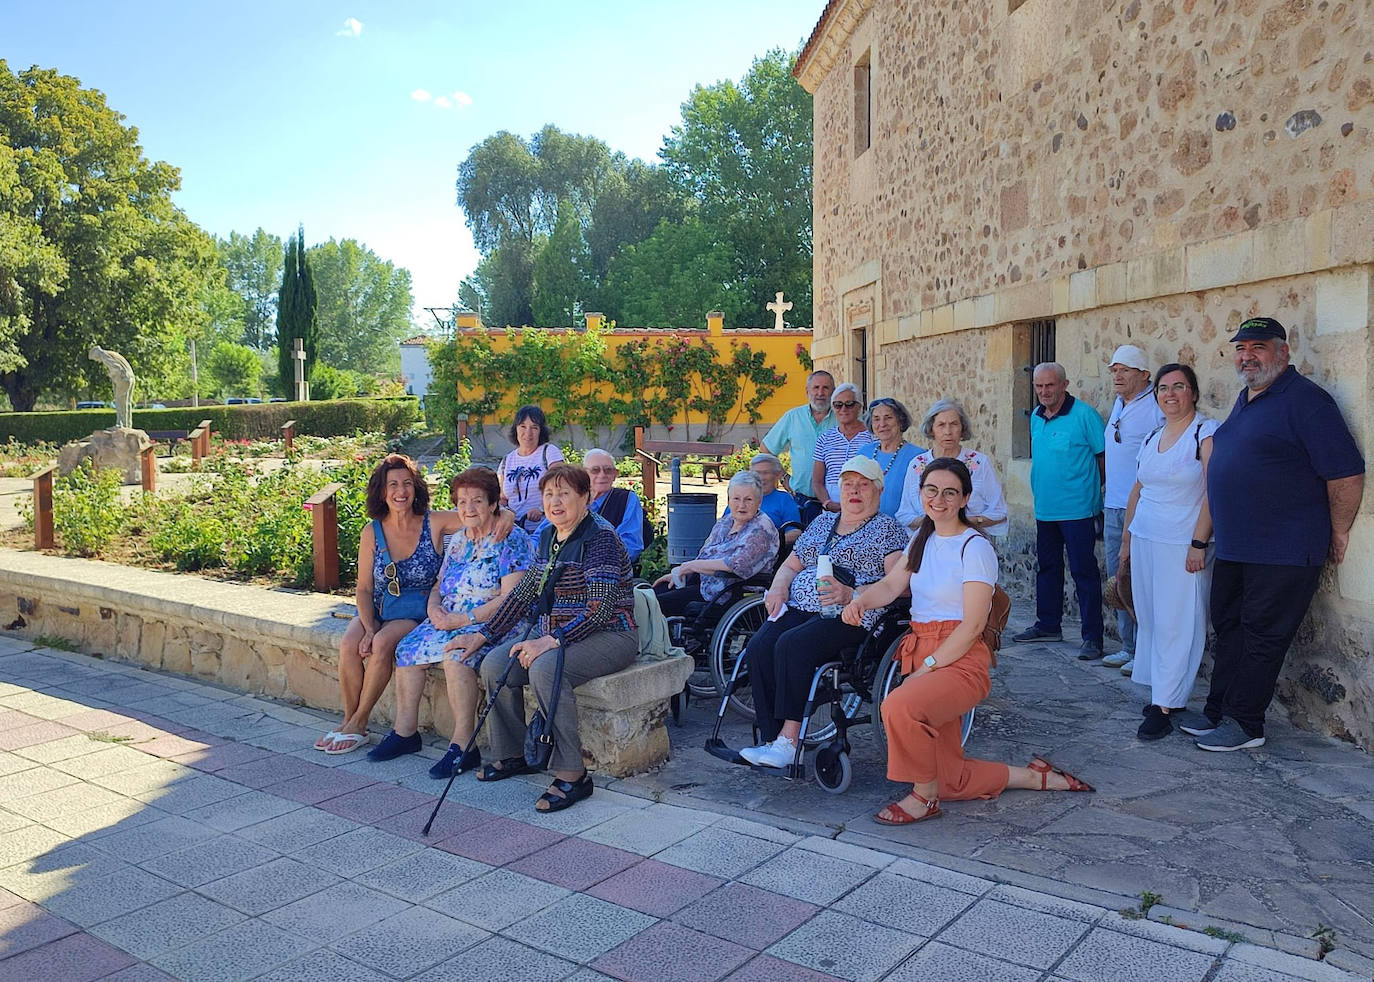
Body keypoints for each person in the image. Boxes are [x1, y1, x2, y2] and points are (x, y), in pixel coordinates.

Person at [845, 458, 1094, 825]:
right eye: (931, 490)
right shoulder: (920, 538)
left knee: (899, 705)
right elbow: (891, 586)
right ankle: (1036, 776)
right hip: (922, 647)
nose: (939, 499)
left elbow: (973, 625)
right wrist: (860, 601)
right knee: (949, 779)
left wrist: (926, 669)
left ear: (965, 499)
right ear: (921, 493)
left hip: (960, 659)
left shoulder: (974, 547)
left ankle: (923, 798)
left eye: (950, 492)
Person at [1178, 317, 1364, 752]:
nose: (1247, 356)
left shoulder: (1307, 402)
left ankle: (1246, 725)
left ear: (1283, 351)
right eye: (1241, 348)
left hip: (1283, 549)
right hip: (1240, 545)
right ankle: (1219, 712)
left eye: (1258, 347)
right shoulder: (1248, 398)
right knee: (1229, 627)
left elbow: (1347, 473)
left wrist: (1338, 530)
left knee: (1262, 635)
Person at [448, 464, 638, 812]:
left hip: (611, 634)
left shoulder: (600, 539)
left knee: (545, 669)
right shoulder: (550, 535)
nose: (555, 501)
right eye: (549, 493)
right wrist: (483, 635)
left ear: (585, 497)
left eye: (564, 493)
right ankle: (514, 753)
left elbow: (599, 610)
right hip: (560, 632)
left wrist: (549, 641)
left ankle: (573, 773)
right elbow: (522, 594)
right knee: (494, 664)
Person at [737, 457, 910, 769]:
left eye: (863, 485)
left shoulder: (887, 529)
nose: (854, 491)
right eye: (848, 484)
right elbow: (791, 565)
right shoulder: (821, 523)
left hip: (852, 615)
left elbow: (900, 586)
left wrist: (852, 594)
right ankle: (772, 738)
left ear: (878, 490)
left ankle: (790, 742)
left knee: (792, 645)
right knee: (759, 646)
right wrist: (777, 588)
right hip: (802, 606)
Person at [367, 467, 537, 774]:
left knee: (457, 657)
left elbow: (512, 599)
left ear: (492, 503)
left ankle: (464, 745)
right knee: (407, 649)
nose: (469, 508)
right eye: (462, 502)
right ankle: (405, 732)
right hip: (451, 617)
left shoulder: (511, 539)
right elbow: (438, 585)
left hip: (496, 621)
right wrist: (434, 609)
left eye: (477, 501)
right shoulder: (458, 540)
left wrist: (465, 618)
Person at [314, 454, 461, 755]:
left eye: (407, 484)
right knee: (349, 645)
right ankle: (349, 720)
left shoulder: (432, 522)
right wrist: (368, 627)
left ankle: (359, 722)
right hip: (381, 605)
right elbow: (364, 588)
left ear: (416, 488)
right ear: (382, 491)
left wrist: (507, 516)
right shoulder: (373, 531)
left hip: (416, 607)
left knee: (381, 644)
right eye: (392, 484)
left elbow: (479, 513)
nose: (401, 491)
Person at [1118, 365, 1217, 741]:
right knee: (1154, 619)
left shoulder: (1205, 433)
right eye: (1163, 388)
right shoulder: (1153, 436)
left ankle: (1163, 707)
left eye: (1179, 386)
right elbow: (1137, 491)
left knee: (1179, 622)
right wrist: (1127, 542)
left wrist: (1198, 542)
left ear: (1193, 391)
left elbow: (1213, 490)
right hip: (1145, 539)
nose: (1170, 394)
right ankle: (1165, 693)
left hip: (1182, 544)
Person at [1011, 363, 1108, 660]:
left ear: (1064, 384)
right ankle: (1048, 624)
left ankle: (1093, 638)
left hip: (1078, 510)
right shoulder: (1037, 418)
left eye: (1050, 386)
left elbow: (1103, 459)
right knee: (1048, 569)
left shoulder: (1085, 416)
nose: (1043, 392)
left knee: (1084, 573)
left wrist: (1093, 495)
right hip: (1046, 510)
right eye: (1039, 386)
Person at [1100, 345, 1164, 674]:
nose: (1118, 376)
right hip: (1114, 506)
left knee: (1141, 582)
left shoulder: (1155, 405)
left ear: (1144, 375)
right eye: (1114, 370)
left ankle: (1146, 651)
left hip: (1141, 509)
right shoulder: (1118, 403)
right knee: (1119, 581)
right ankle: (1128, 646)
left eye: (1125, 370)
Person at [653, 470, 779, 617]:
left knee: (655, 604)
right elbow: (705, 554)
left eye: (748, 499)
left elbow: (736, 564)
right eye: (736, 499)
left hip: (728, 594)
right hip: (705, 585)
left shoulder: (762, 529)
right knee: (653, 592)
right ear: (729, 500)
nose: (741, 505)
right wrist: (678, 574)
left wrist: (690, 566)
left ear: (759, 501)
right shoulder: (726, 521)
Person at [896, 398, 1008, 535]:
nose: (948, 431)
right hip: (927, 542)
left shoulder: (979, 463)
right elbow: (904, 514)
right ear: (931, 430)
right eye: (941, 425)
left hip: (970, 540)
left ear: (962, 429)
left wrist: (963, 522)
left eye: (954, 424)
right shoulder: (917, 465)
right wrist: (935, 522)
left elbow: (999, 511)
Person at [537, 448, 646, 563]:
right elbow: (539, 537)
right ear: (584, 474)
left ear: (615, 475)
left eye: (608, 470)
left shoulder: (626, 499)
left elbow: (632, 545)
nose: (602, 475)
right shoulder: (571, 499)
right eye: (595, 470)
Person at [762, 370, 836, 527]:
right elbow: (766, 449)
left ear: (833, 391)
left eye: (825, 388)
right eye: (816, 388)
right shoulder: (793, 417)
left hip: (836, 503)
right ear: (807, 391)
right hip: (802, 501)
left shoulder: (842, 418)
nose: (820, 393)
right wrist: (783, 477)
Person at [498, 404, 565, 532]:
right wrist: (504, 512)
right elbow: (502, 498)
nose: (528, 433)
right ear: (515, 429)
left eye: (534, 427)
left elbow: (562, 486)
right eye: (523, 426)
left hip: (544, 529)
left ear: (541, 431)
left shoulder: (549, 452)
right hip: (513, 530)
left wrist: (541, 509)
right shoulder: (507, 460)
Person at [812, 383, 875, 514]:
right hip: (832, 511)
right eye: (838, 405)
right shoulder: (824, 439)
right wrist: (828, 503)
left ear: (859, 407)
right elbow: (817, 481)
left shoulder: (873, 438)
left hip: (864, 508)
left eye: (849, 404)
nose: (843, 409)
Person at [858, 397, 923, 518]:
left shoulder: (918, 458)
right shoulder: (863, 453)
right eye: (876, 419)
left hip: (903, 529)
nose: (882, 424)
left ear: (900, 421)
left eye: (888, 418)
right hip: (865, 526)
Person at [727, 453, 801, 545]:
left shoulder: (784, 499)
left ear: (777, 475)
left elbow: (795, 532)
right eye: (757, 473)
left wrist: (768, 542)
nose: (761, 478)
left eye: (766, 473)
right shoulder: (740, 498)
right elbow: (724, 526)